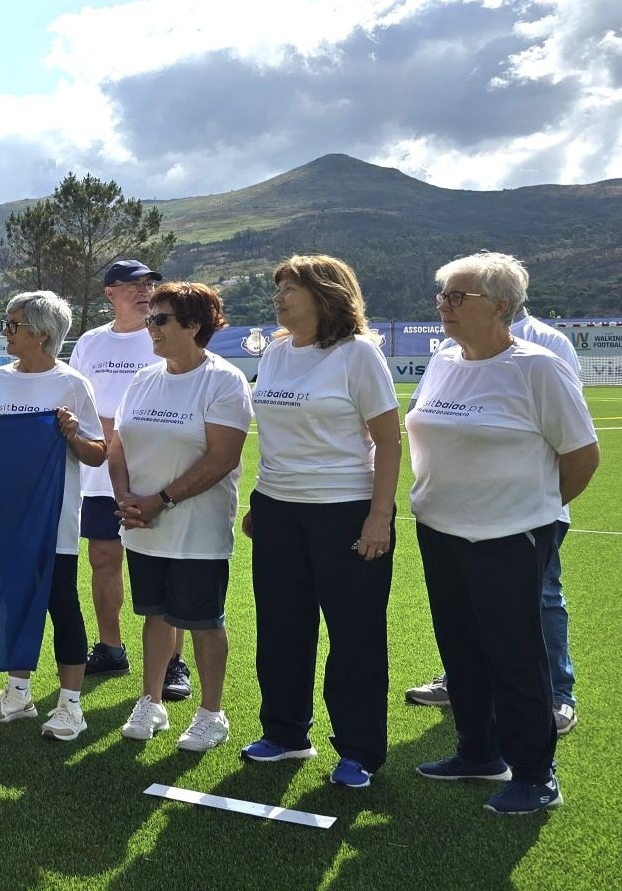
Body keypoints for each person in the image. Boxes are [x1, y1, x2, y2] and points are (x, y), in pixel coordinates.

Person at [406, 252, 598, 814]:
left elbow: (582, 455)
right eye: (443, 294)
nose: (444, 305)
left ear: (501, 307)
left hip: (511, 535)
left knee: (515, 655)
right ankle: (477, 752)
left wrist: (533, 509)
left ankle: (537, 774)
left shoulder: (536, 368)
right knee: (461, 647)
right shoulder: (444, 359)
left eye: (457, 296)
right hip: (440, 529)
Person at [240, 255, 400, 788]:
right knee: (282, 627)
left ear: (326, 293)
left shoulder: (358, 355)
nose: (279, 297)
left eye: (291, 287)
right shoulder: (280, 352)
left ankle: (359, 751)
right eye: (278, 286)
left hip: (346, 512)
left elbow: (388, 441)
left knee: (354, 636)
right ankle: (285, 734)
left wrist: (380, 517)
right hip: (279, 510)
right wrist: (261, 503)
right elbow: (276, 436)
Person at [112, 282, 253, 751]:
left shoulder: (223, 380)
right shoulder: (143, 378)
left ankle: (212, 714)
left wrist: (161, 500)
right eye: (150, 317)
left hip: (196, 528)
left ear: (194, 325)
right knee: (155, 614)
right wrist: (126, 498)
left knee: (203, 620)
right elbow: (118, 446)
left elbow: (222, 458)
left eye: (161, 319)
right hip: (143, 525)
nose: (150, 327)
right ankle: (150, 702)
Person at [0, 294, 106, 739]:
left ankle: (70, 706)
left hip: (53, 518)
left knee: (61, 604)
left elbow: (96, 453)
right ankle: (18, 693)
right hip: (3, 516)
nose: (5, 332)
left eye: (12, 326)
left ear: (41, 334)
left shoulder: (71, 384)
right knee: (12, 604)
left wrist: (71, 434)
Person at [72, 259, 192, 697]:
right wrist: (107, 431)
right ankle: (110, 647)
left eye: (150, 284)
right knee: (103, 560)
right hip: (101, 477)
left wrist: (118, 427)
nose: (145, 291)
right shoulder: (90, 342)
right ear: (110, 293)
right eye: (133, 285)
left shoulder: (163, 336)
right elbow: (76, 398)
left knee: (164, 566)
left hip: (156, 472)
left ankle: (175, 662)